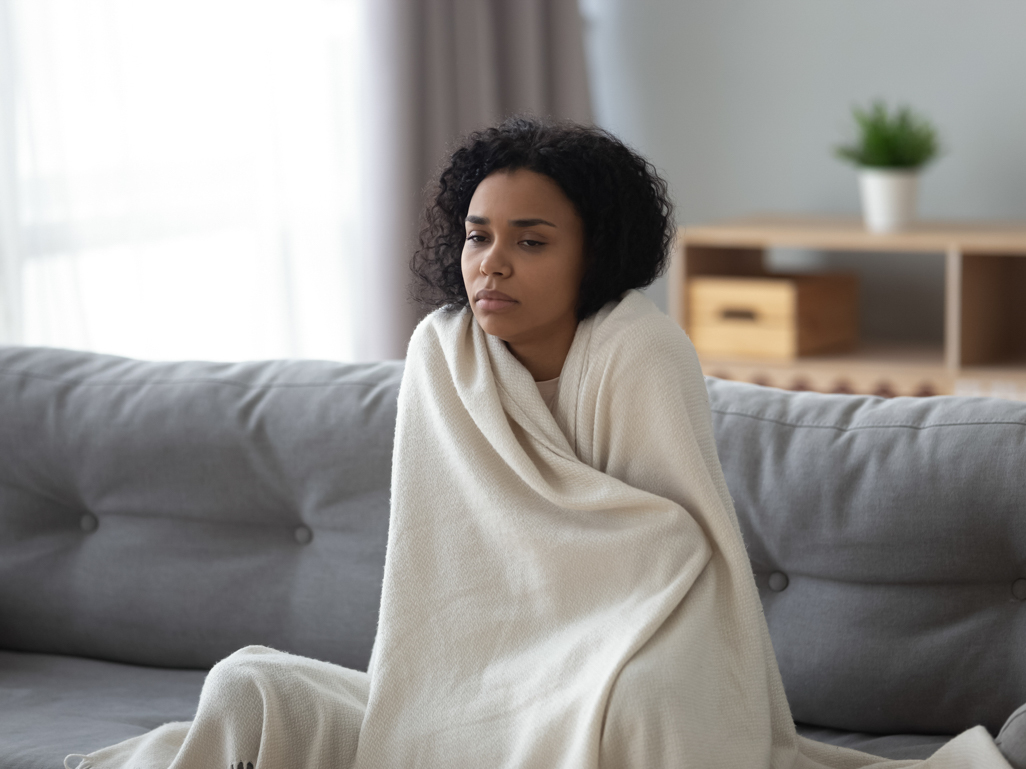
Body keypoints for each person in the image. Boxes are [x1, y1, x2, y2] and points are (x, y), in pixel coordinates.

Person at [68, 117, 1023, 769]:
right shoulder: (443, 354)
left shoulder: (640, 350)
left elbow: (679, 546)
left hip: (650, 642)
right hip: (473, 672)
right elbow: (446, 568)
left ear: (593, 251)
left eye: (530, 240)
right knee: (250, 684)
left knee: (641, 707)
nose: (491, 263)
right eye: (479, 236)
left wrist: (591, 618)